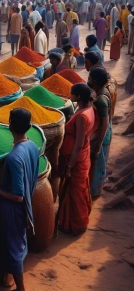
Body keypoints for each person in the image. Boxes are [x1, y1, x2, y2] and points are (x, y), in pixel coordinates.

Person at [0, 108, 39, 291]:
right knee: (15, 243)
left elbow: (17, 196)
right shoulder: (32, 146)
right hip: (25, 203)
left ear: (10, 125)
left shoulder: (14, 157)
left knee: (13, 247)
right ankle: (7, 276)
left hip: (13, 209)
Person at [58, 83, 95, 234]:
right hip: (83, 154)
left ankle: (77, 224)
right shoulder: (87, 108)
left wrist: (69, 166)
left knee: (76, 193)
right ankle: (69, 221)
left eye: (72, 94)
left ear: (78, 96)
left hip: (77, 159)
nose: (70, 96)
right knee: (76, 190)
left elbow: (78, 144)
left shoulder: (81, 117)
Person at [89, 68, 113, 199]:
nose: (89, 80)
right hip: (104, 133)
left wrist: (97, 147)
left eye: (90, 78)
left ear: (95, 81)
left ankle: (95, 192)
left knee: (98, 164)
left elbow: (104, 123)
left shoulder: (101, 100)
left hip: (102, 136)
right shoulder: (102, 92)